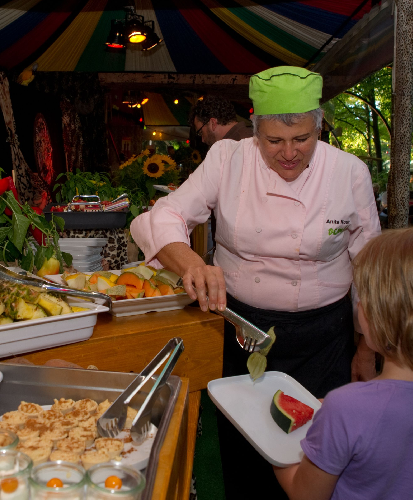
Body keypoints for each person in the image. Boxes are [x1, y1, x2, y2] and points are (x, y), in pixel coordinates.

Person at [130, 66, 381, 497]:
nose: (289, 152)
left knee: (320, 456)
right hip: (243, 328)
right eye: (274, 141)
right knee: (246, 457)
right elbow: (163, 215)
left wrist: (367, 346)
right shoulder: (229, 158)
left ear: (319, 126)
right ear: (254, 131)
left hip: (326, 337)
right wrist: (192, 263)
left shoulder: (349, 172)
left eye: (302, 139)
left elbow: (372, 266)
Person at [274, 226, 413, 500]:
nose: (358, 305)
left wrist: (276, 449)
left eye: (363, 297)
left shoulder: (345, 407)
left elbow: (305, 494)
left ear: (382, 317)